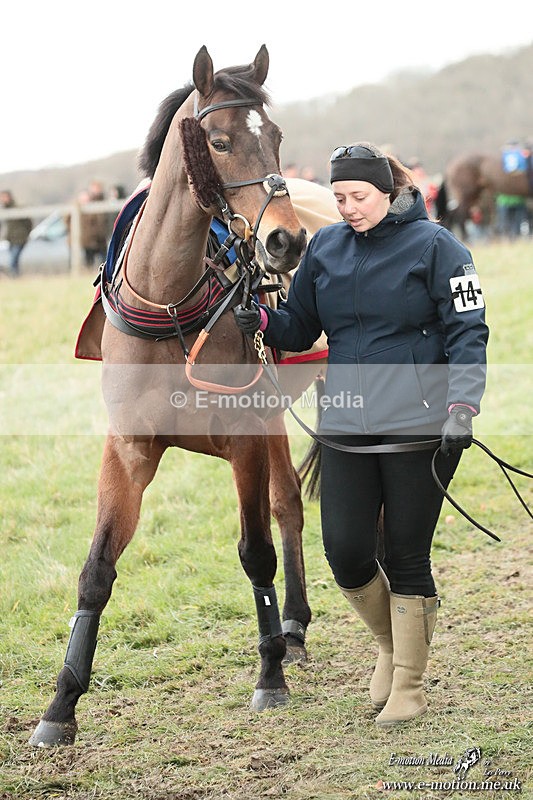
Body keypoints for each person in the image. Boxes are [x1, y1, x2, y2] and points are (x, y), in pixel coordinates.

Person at [234, 142, 489, 727]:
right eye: (340, 197)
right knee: (347, 553)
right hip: (346, 422)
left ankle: (409, 685)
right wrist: (264, 320)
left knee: (405, 554)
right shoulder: (326, 247)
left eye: (358, 196)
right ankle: (391, 646)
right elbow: (301, 327)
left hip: (421, 424)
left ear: (388, 192)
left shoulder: (439, 248)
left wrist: (462, 406)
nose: (347, 207)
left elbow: (469, 331)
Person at [0, 190, 33, 276]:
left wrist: (26, 234)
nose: (2, 199)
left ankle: (13, 276)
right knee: (14, 260)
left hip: (19, 239)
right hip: (10, 239)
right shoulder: (5, 210)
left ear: (9, 197)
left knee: (13, 260)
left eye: (3, 197)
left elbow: (28, 222)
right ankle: (16, 277)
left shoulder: (17, 208)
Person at [78, 180, 109, 267]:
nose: (96, 191)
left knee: (104, 263)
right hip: (88, 239)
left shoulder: (103, 201)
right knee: (89, 262)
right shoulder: (84, 202)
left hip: (101, 238)